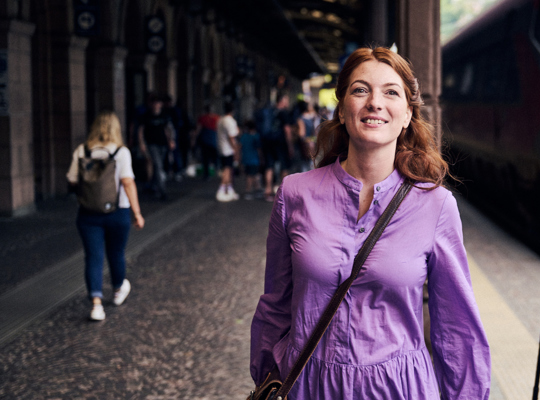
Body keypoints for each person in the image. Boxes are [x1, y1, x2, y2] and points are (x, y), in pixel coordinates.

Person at [250, 47, 491, 398]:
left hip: (398, 388)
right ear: (343, 108)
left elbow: (457, 327)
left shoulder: (436, 206)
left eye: (391, 92)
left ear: (408, 114)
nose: (375, 102)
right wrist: (265, 377)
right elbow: (275, 305)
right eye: (361, 90)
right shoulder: (294, 193)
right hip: (308, 385)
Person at [67, 111, 145, 321]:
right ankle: (118, 289)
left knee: (93, 257)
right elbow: (128, 182)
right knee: (116, 253)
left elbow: (72, 181)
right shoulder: (121, 153)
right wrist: (137, 213)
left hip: (88, 213)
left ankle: (96, 305)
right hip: (117, 212)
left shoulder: (82, 150)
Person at [137, 94, 175, 199]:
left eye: (158, 103)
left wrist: (171, 140)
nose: (156, 105)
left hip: (162, 143)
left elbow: (168, 129)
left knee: (157, 166)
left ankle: (151, 185)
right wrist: (142, 143)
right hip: (152, 144)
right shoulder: (146, 115)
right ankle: (162, 191)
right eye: (154, 103)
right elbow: (141, 130)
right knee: (158, 166)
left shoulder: (164, 115)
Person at [195, 105, 220, 181]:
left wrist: (194, 138)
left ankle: (207, 174)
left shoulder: (202, 118)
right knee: (215, 157)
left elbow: (198, 129)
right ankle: (217, 170)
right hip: (213, 140)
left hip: (205, 140)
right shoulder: (217, 118)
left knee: (206, 158)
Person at [239, 120, 263, 199]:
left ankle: (257, 189)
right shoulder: (256, 136)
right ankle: (248, 191)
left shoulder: (244, 136)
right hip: (254, 159)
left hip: (245, 158)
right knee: (252, 175)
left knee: (252, 174)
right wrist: (261, 158)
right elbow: (259, 148)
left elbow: (240, 146)